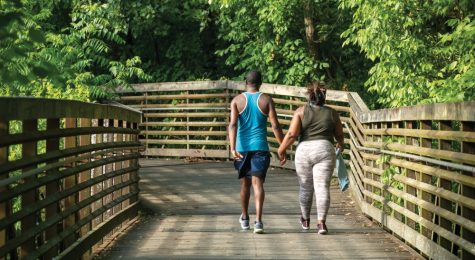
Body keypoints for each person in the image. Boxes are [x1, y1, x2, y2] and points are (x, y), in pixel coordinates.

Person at [277, 81, 344, 234]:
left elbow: (292, 134)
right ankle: (321, 223)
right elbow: (339, 135)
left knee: (305, 187)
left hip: (304, 151)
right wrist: (341, 144)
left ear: (309, 96)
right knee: (322, 187)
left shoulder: (301, 111)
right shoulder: (332, 113)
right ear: (324, 96)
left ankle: (305, 220)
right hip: (325, 149)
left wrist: (281, 150)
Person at [228, 70, 284, 234]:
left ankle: (244, 218)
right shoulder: (266, 100)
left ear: (246, 82)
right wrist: (282, 148)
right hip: (260, 147)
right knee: (257, 183)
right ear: (261, 82)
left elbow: (232, 125)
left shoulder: (237, 100)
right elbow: (275, 126)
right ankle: (258, 222)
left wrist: (232, 148)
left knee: (245, 183)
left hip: (242, 148)